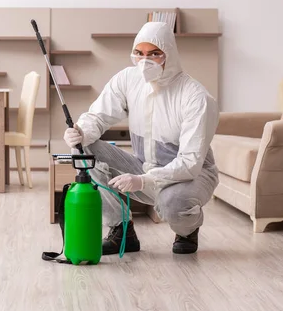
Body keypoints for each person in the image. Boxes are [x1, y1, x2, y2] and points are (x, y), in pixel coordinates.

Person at [63, 21, 220, 255]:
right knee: (84, 148)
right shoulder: (128, 79)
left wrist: (143, 181)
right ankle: (121, 229)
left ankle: (187, 230)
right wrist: (81, 132)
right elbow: (98, 115)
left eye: (155, 54)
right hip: (143, 168)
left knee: (172, 203)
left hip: (190, 177)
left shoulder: (195, 96)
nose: (145, 61)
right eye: (139, 53)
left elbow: (190, 163)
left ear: (170, 54)